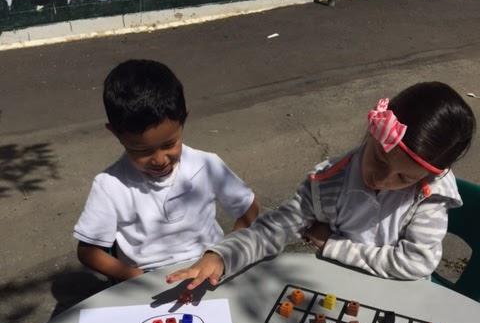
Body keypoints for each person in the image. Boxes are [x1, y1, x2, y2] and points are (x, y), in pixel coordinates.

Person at [166, 81, 475, 289]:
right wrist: (222, 256)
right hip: (340, 292)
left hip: (407, 300)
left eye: (403, 178)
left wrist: (332, 246)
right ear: (371, 133)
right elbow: (272, 229)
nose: (381, 179)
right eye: (379, 160)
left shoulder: (429, 196)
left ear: (428, 177)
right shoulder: (330, 182)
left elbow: (416, 263)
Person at [74, 59, 259, 281]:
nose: (159, 160)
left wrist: (222, 254)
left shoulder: (207, 165)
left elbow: (249, 209)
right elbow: (88, 251)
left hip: (209, 266)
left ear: (183, 120)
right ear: (116, 134)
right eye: (141, 150)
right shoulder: (110, 185)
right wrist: (135, 277)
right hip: (147, 277)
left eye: (169, 144)